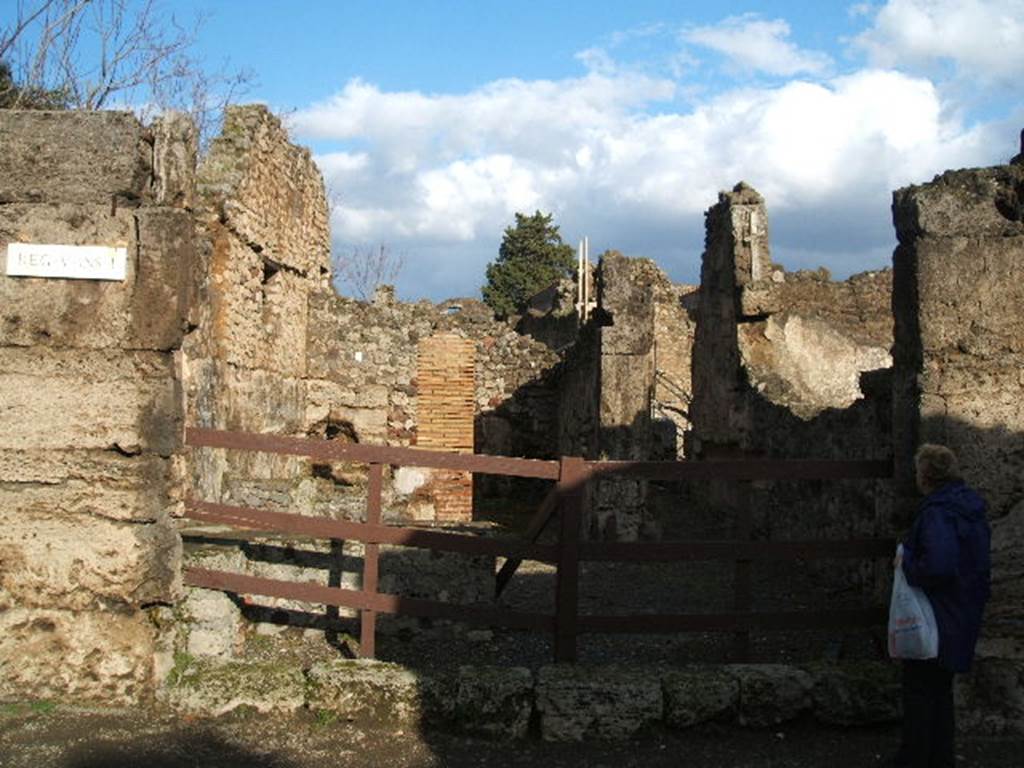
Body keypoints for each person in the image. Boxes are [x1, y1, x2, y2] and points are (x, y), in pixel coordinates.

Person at [894, 444, 991, 768]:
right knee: (940, 690)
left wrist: (907, 563)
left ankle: (916, 758)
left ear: (926, 475)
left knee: (920, 689)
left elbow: (938, 565)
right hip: (962, 609)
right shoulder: (970, 508)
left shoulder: (938, 512)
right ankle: (939, 757)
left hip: (937, 612)